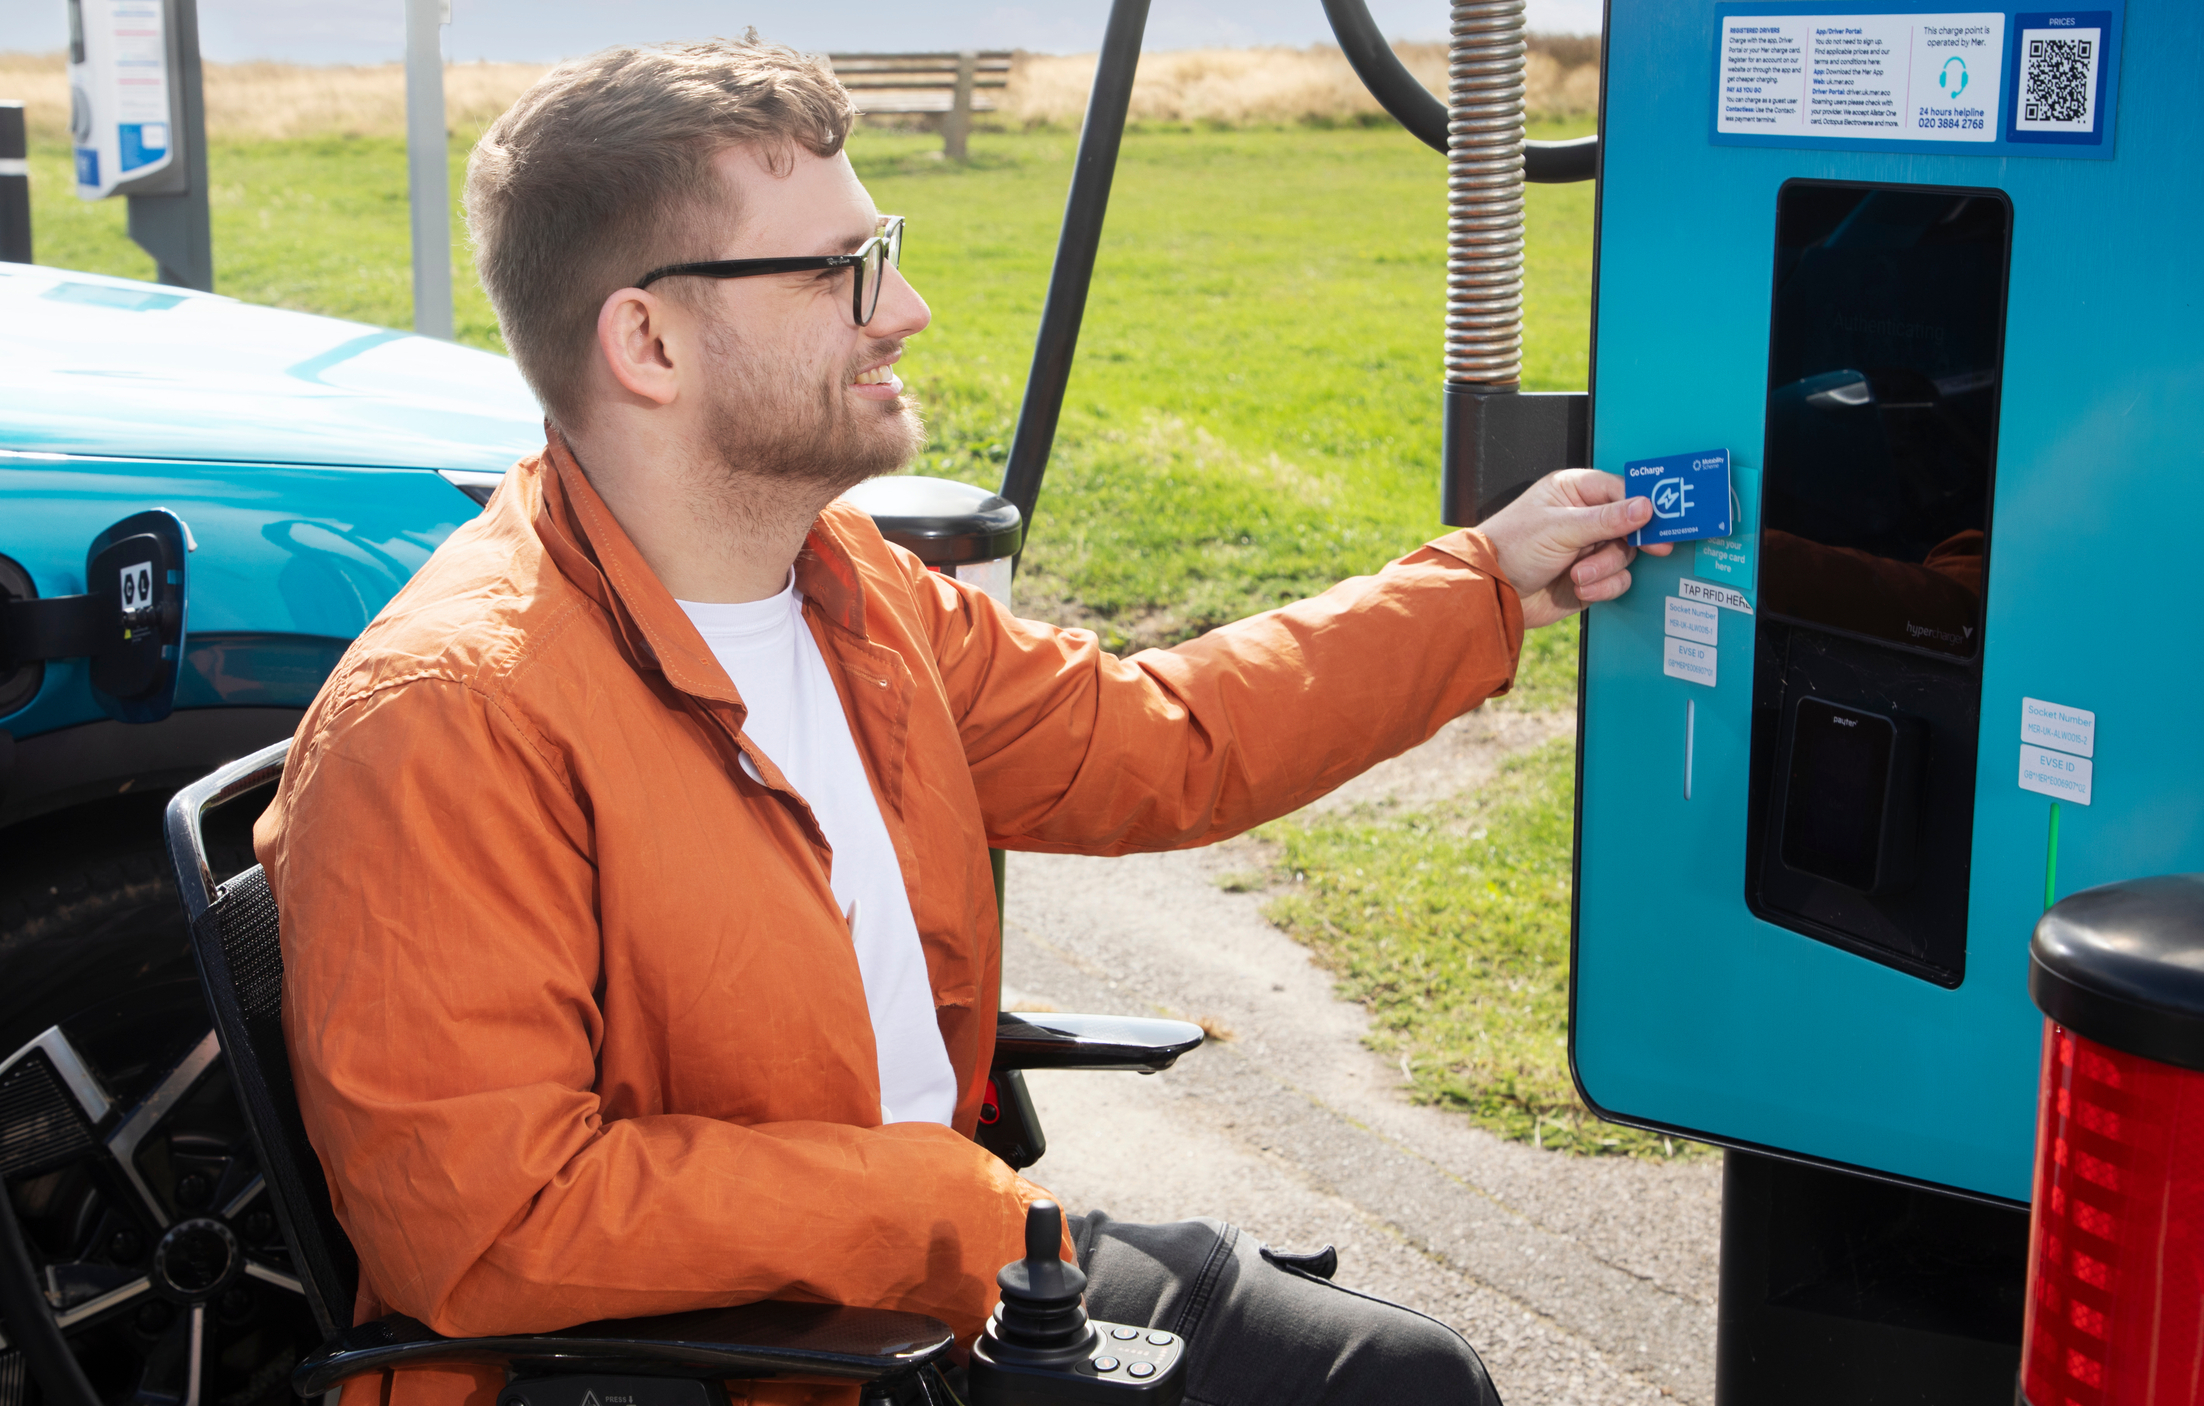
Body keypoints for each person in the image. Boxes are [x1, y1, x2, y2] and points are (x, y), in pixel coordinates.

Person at [255, 36, 1664, 1406]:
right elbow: (491, 1223)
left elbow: (1156, 736)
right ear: (647, 339)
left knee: (1400, 1375)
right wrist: (937, 1207)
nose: (906, 307)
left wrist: (1482, 587)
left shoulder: (840, 584)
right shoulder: (449, 715)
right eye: (842, 271)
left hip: (915, 1284)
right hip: (735, 1360)